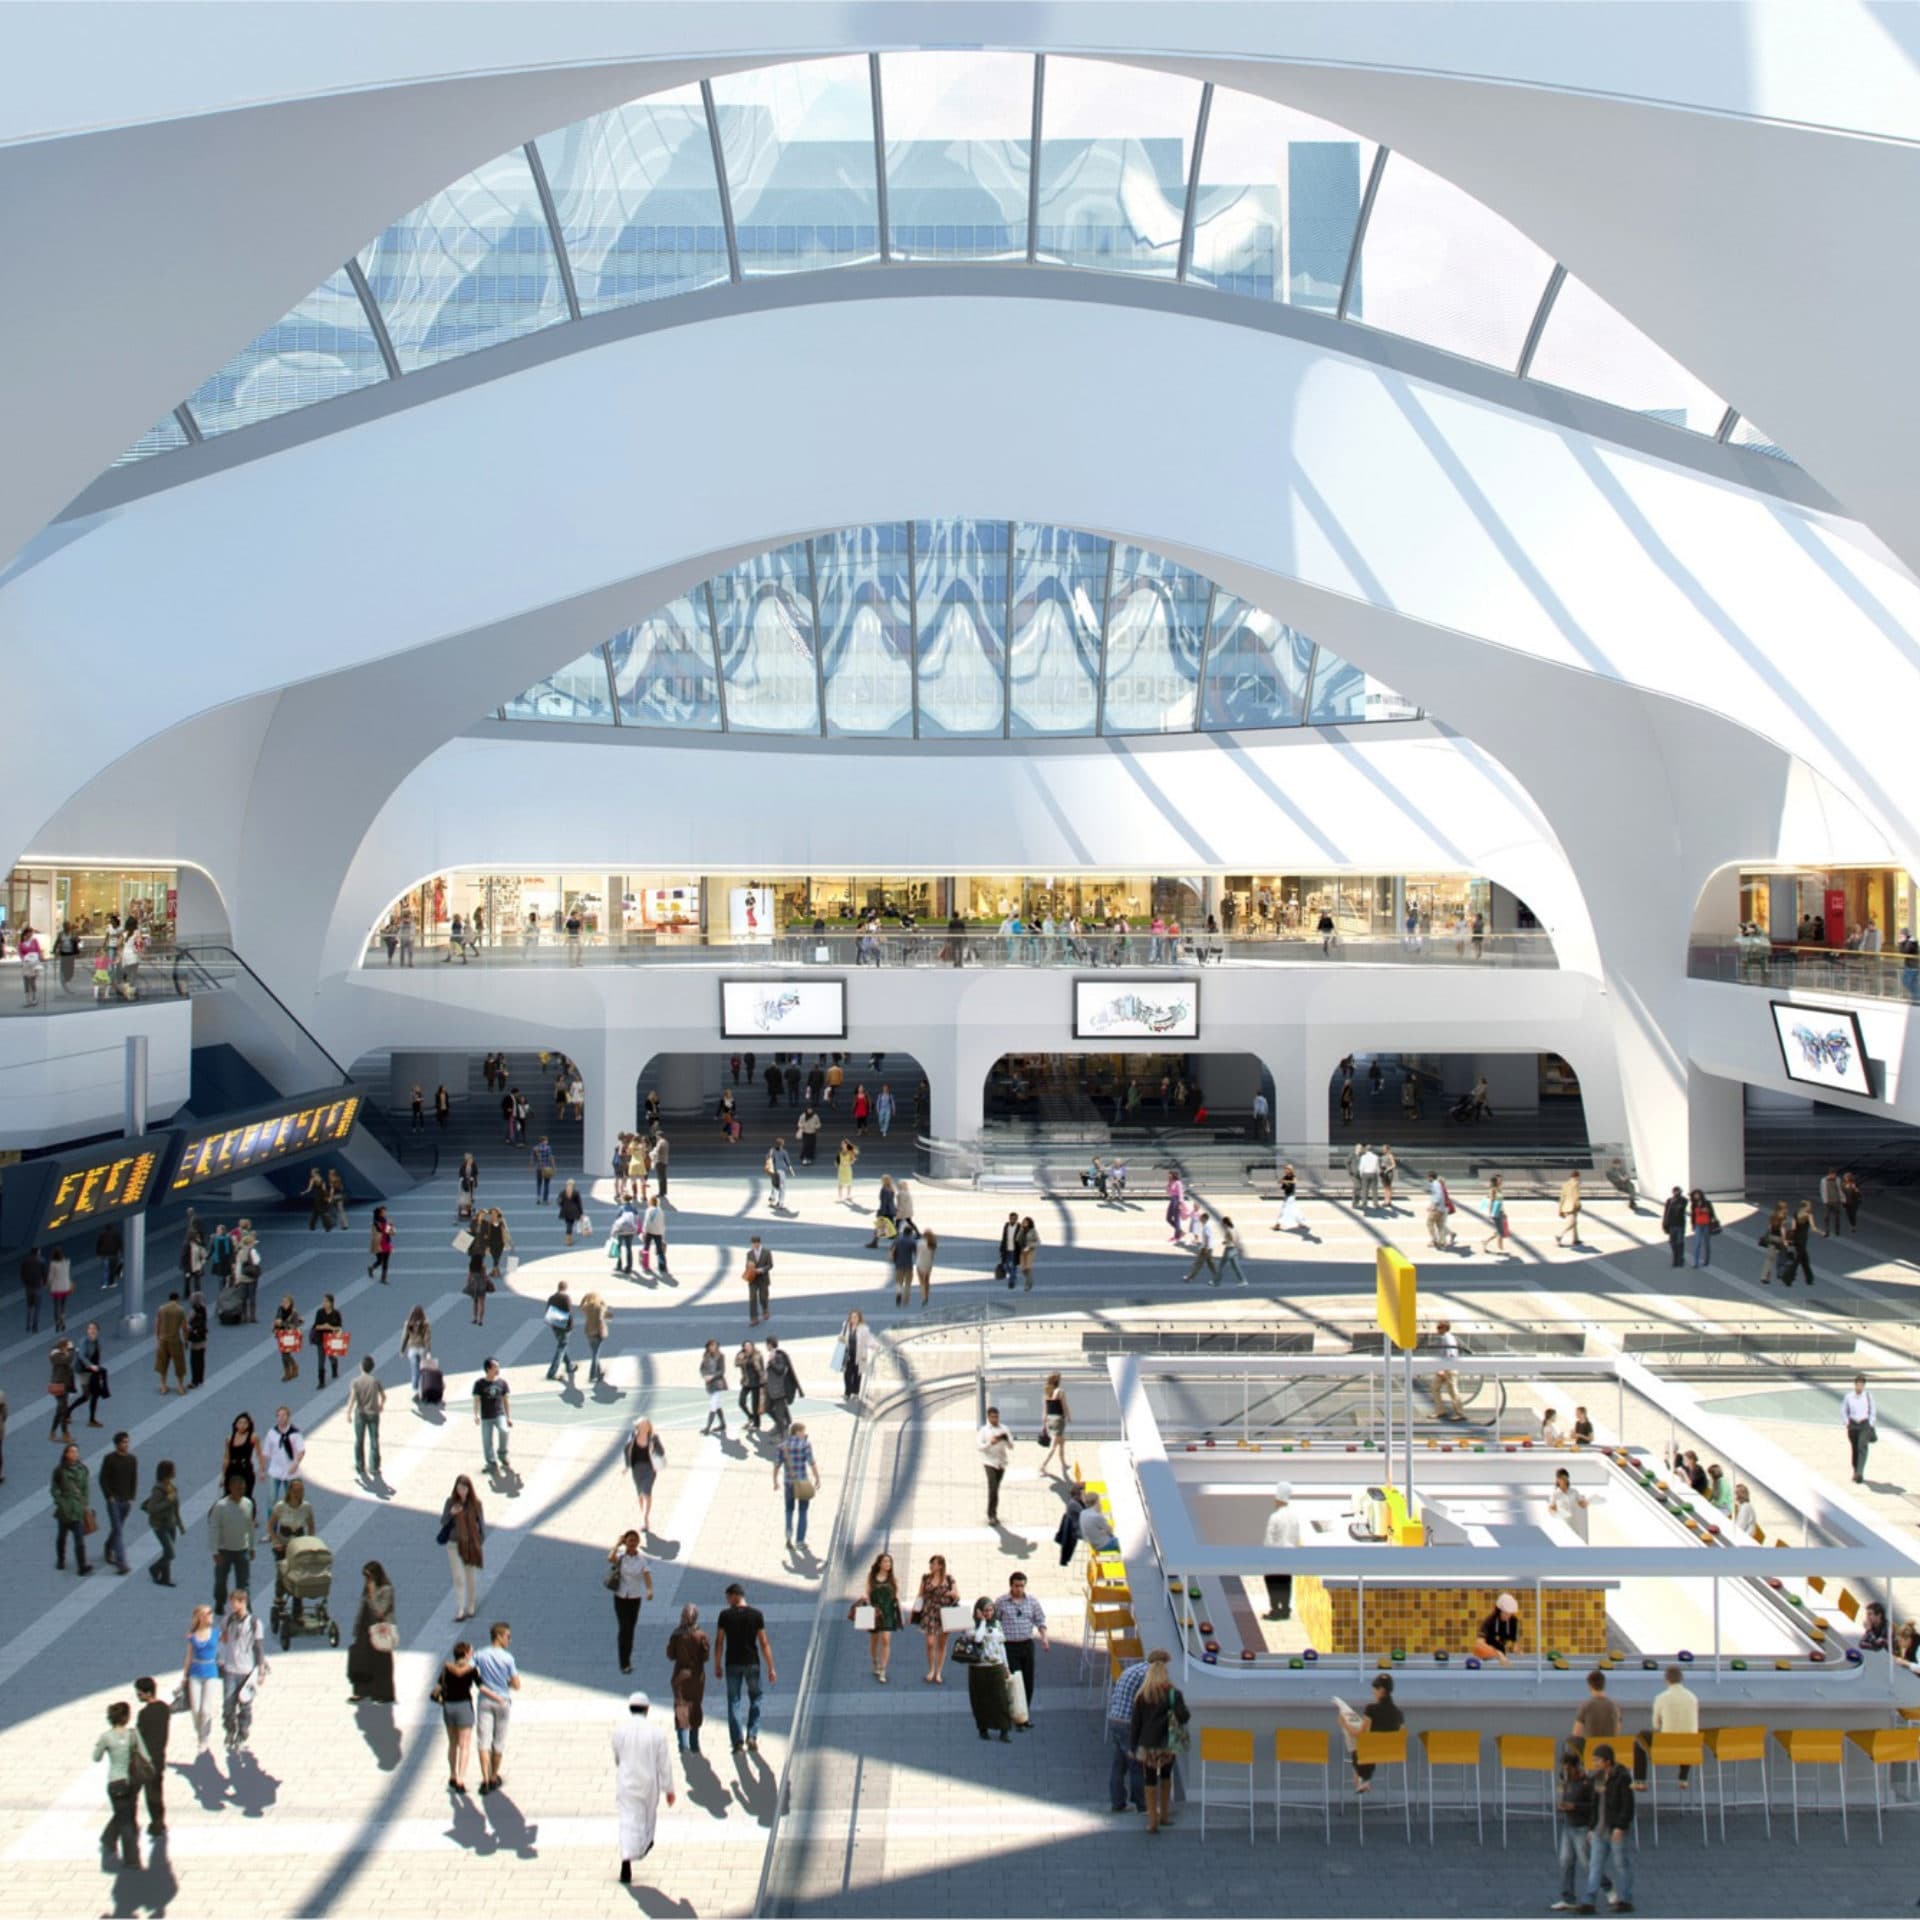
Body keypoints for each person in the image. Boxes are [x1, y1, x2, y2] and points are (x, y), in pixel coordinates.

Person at [611, 1691, 676, 1886]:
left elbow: (617, 1756)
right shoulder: (656, 1733)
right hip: (648, 1783)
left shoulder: (620, 1731)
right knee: (648, 1817)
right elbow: (664, 1763)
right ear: (647, 1709)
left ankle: (626, 1858)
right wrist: (669, 1789)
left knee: (627, 1820)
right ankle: (644, 1844)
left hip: (626, 1782)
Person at [1128, 1650, 1190, 1835]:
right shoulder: (1173, 1694)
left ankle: (1152, 1821)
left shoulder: (1142, 1695)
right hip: (1167, 1744)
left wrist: (1133, 1746)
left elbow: (1135, 1724)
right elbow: (1184, 1717)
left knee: (1149, 1779)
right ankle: (1164, 1815)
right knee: (1165, 1776)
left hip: (1147, 1745)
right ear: (1165, 1672)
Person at [715, 1581, 776, 1753]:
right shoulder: (756, 1615)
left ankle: (737, 1742)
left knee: (734, 1701)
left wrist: (717, 1664)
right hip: (752, 1663)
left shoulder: (725, 1616)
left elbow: (719, 1642)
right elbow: (764, 1643)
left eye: (728, 1597)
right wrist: (771, 1667)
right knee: (756, 1697)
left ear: (735, 1596)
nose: (727, 1601)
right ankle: (752, 1735)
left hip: (732, 1663)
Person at [1577, 1745, 1636, 1914]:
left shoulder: (1622, 1778)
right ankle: (1589, 1901)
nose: (1594, 1763)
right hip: (1599, 1830)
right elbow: (1594, 1805)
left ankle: (1626, 1899)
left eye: (1597, 1760)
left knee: (1620, 1865)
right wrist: (1591, 1827)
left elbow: (1627, 1806)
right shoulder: (1597, 1778)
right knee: (1595, 1866)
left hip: (1615, 1831)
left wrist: (1621, 1826)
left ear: (1607, 1762)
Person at [93, 1700, 150, 1870]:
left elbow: (96, 1757)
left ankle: (108, 1839)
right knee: (127, 1820)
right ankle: (131, 1859)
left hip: (115, 1782)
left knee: (123, 1816)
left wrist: (104, 1747)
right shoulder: (133, 1734)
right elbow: (145, 1755)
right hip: (132, 1782)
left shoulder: (106, 1737)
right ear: (126, 1717)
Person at [216, 1588, 268, 1751]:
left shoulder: (254, 1623)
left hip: (247, 1671)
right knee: (228, 1705)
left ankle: (243, 1733)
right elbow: (222, 1640)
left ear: (243, 1602)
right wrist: (220, 1657)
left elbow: (259, 1647)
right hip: (230, 1670)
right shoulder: (227, 1620)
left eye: (235, 1603)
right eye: (231, 1604)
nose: (232, 1607)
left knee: (245, 1706)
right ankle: (230, 1730)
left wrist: (260, 1670)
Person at [993, 1572, 1048, 1723]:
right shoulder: (1001, 1602)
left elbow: (1040, 1620)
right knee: (1015, 1680)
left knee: (1028, 1681)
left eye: (1022, 1586)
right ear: (1011, 1585)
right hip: (1010, 1646)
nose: (1019, 1589)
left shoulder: (1032, 1602)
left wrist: (1044, 1638)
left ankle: (1024, 1714)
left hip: (1026, 1645)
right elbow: (995, 1621)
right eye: (1016, 1586)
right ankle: (1012, 1712)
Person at [1632, 1663, 1697, 1790]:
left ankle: (1640, 1780)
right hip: (1690, 1749)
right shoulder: (1693, 1698)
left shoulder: (1661, 1698)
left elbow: (1655, 1725)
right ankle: (1683, 1778)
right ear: (1682, 1679)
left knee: (1639, 1738)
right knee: (1687, 1734)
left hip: (1667, 1748)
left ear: (1666, 1680)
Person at [473, 1621, 520, 1794]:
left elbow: (470, 1670)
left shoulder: (480, 1654)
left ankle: (484, 1779)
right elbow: (516, 1684)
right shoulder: (508, 1658)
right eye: (508, 1636)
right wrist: (506, 1682)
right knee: (498, 1742)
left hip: (484, 1700)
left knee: (483, 1741)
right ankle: (494, 1777)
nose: (509, 1640)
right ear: (499, 1636)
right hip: (502, 1702)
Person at [1552, 1735, 1598, 1913]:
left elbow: (1592, 1806)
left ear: (1575, 1767)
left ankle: (1607, 1886)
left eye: (1567, 1768)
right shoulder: (1565, 1779)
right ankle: (1567, 1897)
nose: (1565, 1772)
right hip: (1568, 1825)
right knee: (1565, 1861)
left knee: (1587, 1862)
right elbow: (1563, 1793)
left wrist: (1575, 1806)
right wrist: (1562, 1805)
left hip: (1581, 1826)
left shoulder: (1587, 1782)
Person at [1341, 1672, 1404, 1793]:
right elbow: (1400, 1733)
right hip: (1393, 1752)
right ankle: (1364, 1779)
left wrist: (1344, 1724)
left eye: (1374, 1689)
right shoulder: (1399, 1713)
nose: (1373, 1692)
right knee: (1366, 1744)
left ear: (1381, 1690)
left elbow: (1360, 1734)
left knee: (1352, 1736)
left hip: (1371, 1752)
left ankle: (1362, 1779)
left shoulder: (1371, 1709)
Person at [438, 1640, 487, 1795]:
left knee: (452, 1743)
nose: (472, 1653)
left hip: (449, 1707)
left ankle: (452, 1775)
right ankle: (460, 1779)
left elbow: (438, 1687)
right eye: (471, 1651)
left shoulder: (447, 1668)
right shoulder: (471, 1670)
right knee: (464, 1744)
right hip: (464, 1706)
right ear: (466, 1654)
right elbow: (481, 1686)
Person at [961, 1597, 1013, 1742]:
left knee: (1001, 1699)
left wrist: (1006, 1666)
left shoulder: (997, 1624)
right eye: (985, 1611)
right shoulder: (971, 1626)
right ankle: (983, 1729)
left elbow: (1001, 1647)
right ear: (978, 1611)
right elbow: (977, 1639)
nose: (988, 1613)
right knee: (980, 1700)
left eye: (990, 1610)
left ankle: (1004, 1730)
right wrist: (982, 1622)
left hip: (995, 1666)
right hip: (978, 1668)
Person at [1105, 1651, 1150, 1813]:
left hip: (1115, 1719)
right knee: (1137, 1764)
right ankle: (1142, 1804)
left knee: (1119, 1764)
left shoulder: (1134, 1669)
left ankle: (1118, 1802)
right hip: (1127, 1724)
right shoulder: (1147, 1675)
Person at [346, 1561, 396, 1705]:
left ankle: (383, 1693)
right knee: (361, 1661)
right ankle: (361, 1691)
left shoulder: (386, 1590)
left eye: (369, 1577)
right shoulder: (367, 1589)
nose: (367, 1581)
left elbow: (380, 1611)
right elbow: (362, 1610)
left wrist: (373, 1593)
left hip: (380, 1631)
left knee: (381, 1663)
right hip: (364, 1629)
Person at [608, 1530, 656, 1673]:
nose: (632, 1543)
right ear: (626, 1542)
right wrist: (617, 1544)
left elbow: (647, 1574)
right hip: (621, 1597)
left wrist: (649, 1589)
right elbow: (610, 1558)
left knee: (630, 1630)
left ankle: (627, 1660)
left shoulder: (641, 1559)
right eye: (629, 1540)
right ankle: (624, 1663)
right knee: (624, 1629)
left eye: (635, 1540)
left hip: (635, 1598)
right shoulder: (621, 1557)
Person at [851, 1551, 902, 1684]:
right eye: (885, 1561)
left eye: (890, 1562)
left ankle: (883, 1670)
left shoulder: (893, 1579)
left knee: (885, 1640)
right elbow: (867, 1592)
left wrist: (901, 1615)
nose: (888, 1564)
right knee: (874, 1640)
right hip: (875, 1613)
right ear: (879, 1563)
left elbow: (896, 1597)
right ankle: (875, 1662)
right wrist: (864, 1599)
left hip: (888, 1612)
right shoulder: (871, 1578)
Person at [441, 1474, 485, 1622]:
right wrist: (451, 1513)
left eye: (464, 1488)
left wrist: (479, 1541)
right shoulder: (450, 1502)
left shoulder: (476, 1504)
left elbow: (481, 1524)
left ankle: (470, 1605)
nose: (461, 1491)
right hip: (454, 1544)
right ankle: (460, 1608)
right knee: (458, 1577)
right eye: (459, 1487)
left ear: (469, 1489)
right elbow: (443, 1521)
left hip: (470, 1545)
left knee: (470, 1577)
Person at [666, 1606, 709, 1754]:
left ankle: (683, 1744)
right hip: (697, 1676)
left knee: (681, 1706)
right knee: (695, 1706)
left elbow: (670, 1655)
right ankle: (694, 1742)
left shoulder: (676, 1635)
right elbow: (706, 1656)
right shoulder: (701, 1635)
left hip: (680, 1675)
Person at [209, 1472, 254, 1608]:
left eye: (243, 1488)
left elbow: (250, 1527)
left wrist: (251, 1547)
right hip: (224, 1550)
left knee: (243, 1582)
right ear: (230, 1488)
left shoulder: (248, 1503)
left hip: (242, 1550)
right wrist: (215, 1551)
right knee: (221, 1581)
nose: (241, 1491)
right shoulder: (220, 1506)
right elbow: (214, 1528)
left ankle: (244, 1605)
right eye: (238, 1488)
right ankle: (220, 1601)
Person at [133, 1675, 171, 1836]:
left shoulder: (144, 1714)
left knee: (143, 1794)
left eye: (140, 1693)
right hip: (159, 1757)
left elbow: (139, 1738)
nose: (138, 1696)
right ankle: (159, 1822)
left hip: (146, 1760)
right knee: (157, 1792)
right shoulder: (164, 1708)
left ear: (148, 1693)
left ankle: (148, 1824)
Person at [913, 1554, 960, 1683]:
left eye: (933, 1564)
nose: (931, 1566)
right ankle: (931, 1669)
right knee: (930, 1643)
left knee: (942, 1643)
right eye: (930, 1564)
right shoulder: (926, 1578)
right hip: (929, 1612)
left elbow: (957, 1595)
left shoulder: (949, 1579)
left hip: (944, 1612)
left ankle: (938, 1672)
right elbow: (920, 1594)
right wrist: (915, 1609)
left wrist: (948, 1593)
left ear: (940, 1565)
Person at [98, 1429, 138, 1575]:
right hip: (113, 1500)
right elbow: (103, 1479)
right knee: (119, 1530)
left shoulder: (132, 1459)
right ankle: (122, 1563)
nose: (126, 1444)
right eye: (123, 1442)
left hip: (126, 1500)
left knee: (117, 1528)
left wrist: (132, 1497)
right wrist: (109, 1496)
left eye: (127, 1442)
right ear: (117, 1444)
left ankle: (108, 1546)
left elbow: (134, 1478)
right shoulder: (109, 1459)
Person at [51, 1439, 92, 1576]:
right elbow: (55, 1489)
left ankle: (82, 1566)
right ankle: (60, 1559)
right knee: (62, 1537)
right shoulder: (59, 1470)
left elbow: (85, 1487)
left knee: (79, 1540)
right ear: (66, 1454)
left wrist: (85, 1502)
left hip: (78, 1509)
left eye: (76, 1452)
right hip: (64, 1510)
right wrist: (61, 1503)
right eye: (72, 1451)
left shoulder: (82, 1469)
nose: (75, 1454)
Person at [776, 1419, 818, 1549]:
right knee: (803, 1511)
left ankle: (788, 1535)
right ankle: (800, 1541)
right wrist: (817, 1478)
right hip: (802, 1482)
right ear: (798, 1431)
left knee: (789, 1510)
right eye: (803, 1432)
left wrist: (775, 1481)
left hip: (788, 1482)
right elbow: (811, 1463)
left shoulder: (782, 1446)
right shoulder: (805, 1445)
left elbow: (777, 1465)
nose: (804, 1434)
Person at [1263, 1482, 1303, 1620]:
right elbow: (1297, 1538)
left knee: (1272, 1582)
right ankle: (1285, 1609)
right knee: (1286, 1582)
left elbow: (1269, 1540)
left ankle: (1275, 1610)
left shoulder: (1275, 1517)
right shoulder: (1294, 1517)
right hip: (1289, 1556)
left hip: (1275, 1557)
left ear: (1278, 1499)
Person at [346, 1354, 385, 1480]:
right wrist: (380, 1405)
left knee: (359, 1440)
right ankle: (374, 1467)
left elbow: (352, 1399)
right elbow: (384, 1396)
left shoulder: (355, 1382)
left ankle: (360, 1465)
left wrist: (348, 1412)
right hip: (374, 1414)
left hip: (361, 1414)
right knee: (374, 1440)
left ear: (361, 1367)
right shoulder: (375, 1381)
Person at [144, 1458, 181, 1586]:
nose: (175, 1471)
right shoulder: (158, 1490)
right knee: (170, 1552)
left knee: (167, 1552)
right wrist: (167, 1502)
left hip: (171, 1523)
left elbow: (176, 1506)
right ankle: (154, 1568)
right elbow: (152, 1508)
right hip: (160, 1525)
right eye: (173, 1469)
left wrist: (179, 1523)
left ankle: (165, 1578)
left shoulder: (172, 1487)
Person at [474, 1359, 512, 1473]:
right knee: (487, 1441)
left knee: (504, 1430)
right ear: (488, 1369)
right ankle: (491, 1463)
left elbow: (506, 1400)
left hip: (499, 1414)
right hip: (486, 1417)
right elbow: (476, 1400)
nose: (498, 1369)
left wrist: (508, 1417)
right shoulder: (479, 1384)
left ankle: (502, 1454)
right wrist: (476, 1415)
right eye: (496, 1367)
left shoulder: (502, 1383)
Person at [262, 1405, 305, 1504]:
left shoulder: (295, 1433)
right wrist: (262, 1470)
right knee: (272, 1499)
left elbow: (301, 1451)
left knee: (292, 1500)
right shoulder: (272, 1433)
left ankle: (290, 1519)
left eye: (283, 1415)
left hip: (291, 1472)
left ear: (288, 1417)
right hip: (275, 1471)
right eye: (279, 1415)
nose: (281, 1418)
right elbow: (266, 1452)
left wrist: (295, 1464)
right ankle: (271, 1519)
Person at [978, 1406, 1014, 1524]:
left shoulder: (1004, 1428)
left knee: (996, 1489)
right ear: (988, 1417)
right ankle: (991, 1515)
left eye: (997, 1417)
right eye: (993, 1417)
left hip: (1001, 1462)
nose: (995, 1419)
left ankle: (993, 1511)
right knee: (993, 1488)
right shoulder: (984, 1430)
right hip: (989, 1462)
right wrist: (990, 1443)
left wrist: (1005, 1439)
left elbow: (1011, 1446)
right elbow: (980, 1447)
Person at [1843, 1372, 1877, 1483]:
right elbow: (1844, 1410)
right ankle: (1855, 1470)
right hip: (1853, 1425)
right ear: (1855, 1384)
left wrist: (1870, 1424)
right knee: (1855, 1448)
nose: (1860, 1386)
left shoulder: (1868, 1396)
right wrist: (1847, 1422)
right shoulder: (1849, 1396)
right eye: (1858, 1384)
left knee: (1862, 1446)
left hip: (1864, 1424)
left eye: (1862, 1384)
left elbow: (1872, 1410)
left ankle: (1860, 1472)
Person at [763, 1338, 800, 1437]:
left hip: (779, 1391)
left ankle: (782, 1434)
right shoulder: (772, 1355)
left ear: (770, 1344)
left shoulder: (779, 1356)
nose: (766, 1346)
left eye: (766, 1344)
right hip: (771, 1390)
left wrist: (771, 1362)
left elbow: (780, 1370)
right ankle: (785, 1422)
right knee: (767, 1408)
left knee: (779, 1415)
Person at [1429, 1320, 1466, 1421]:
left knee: (1453, 1391)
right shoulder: (1444, 1337)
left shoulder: (1448, 1338)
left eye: (1439, 1327)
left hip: (1448, 1369)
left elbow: (1451, 1353)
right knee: (1434, 1387)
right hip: (1444, 1368)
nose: (1437, 1330)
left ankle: (1460, 1413)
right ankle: (1440, 1410)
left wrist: (1443, 1368)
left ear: (1445, 1328)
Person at [153, 1291, 188, 1394]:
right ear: (177, 1299)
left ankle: (163, 1386)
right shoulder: (180, 1310)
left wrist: (158, 1338)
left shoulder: (161, 1309)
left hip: (163, 1340)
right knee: (179, 1364)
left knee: (162, 1364)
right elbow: (184, 1327)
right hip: (175, 1340)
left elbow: (157, 1324)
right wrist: (186, 1340)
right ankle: (180, 1387)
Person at [1572, 1668, 1620, 1743]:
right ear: (1604, 1685)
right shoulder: (1614, 1706)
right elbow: (1617, 1731)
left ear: (1590, 1686)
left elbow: (1576, 1734)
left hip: (1591, 1751)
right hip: (1610, 1751)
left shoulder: (1586, 1705)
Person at [1475, 1591, 1522, 1664]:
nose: (1508, 1616)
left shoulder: (1513, 1621)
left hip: (1503, 1659)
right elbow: (1479, 1644)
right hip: (1486, 1659)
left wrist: (1516, 1649)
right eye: (1506, 1613)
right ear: (1499, 1610)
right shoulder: (1489, 1621)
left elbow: (1515, 1643)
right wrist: (1497, 1653)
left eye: (1510, 1614)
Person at [698, 1341, 728, 1437]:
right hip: (709, 1384)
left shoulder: (720, 1356)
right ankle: (723, 1424)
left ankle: (707, 1428)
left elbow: (722, 1371)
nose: (712, 1348)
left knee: (713, 1405)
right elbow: (702, 1368)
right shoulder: (706, 1356)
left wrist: (712, 1376)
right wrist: (704, 1376)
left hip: (718, 1383)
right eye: (711, 1346)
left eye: (714, 1346)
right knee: (717, 1405)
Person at [839, 1308, 870, 1398]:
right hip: (848, 1354)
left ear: (859, 1318)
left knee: (857, 1374)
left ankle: (856, 1392)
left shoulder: (863, 1329)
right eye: (852, 1317)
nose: (854, 1319)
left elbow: (867, 1341)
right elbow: (841, 1336)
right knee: (847, 1374)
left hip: (859, 1355)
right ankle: (847, 1393)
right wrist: (841, 1339)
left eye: (856, 1317)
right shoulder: (846, 1326)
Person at [1182, 1208, 1218, 1284]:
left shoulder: (1206, 1227)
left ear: (1204, 1218)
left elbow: (1207, 1237)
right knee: (1210, 1264)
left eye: (1201, 1218)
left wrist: (1205, 1248)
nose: (1200, 1219)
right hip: (1208, 1248)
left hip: (1206, 1249)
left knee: (1198, 1263)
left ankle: (1190, 1277)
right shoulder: (1207, 1226)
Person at [735, 1341, 764, 1432]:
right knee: (741, 1402)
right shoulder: (742, 1355)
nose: (747, 1347)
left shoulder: (757, 1355)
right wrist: (740, 1358)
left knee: (755, 1405)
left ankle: (757, 1424)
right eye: (745, 1346)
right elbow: (736, 1364)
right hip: (746, 1382)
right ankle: (750, 1416)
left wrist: (763, 1380)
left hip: (756, 1382)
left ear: (752, 1346)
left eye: (749, 1346)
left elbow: (760, 1368)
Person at [743, 1235, 772, 1325]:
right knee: (752, 1298)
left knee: (763, 1297)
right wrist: (750, 1269)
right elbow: (747, 1265)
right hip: (753, 1279)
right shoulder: (749, 1253)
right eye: (753, 1243)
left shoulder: (767, 1252)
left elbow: (770, 1265)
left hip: (763, 1278)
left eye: (756, 1243)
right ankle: (754, 1318)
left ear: (759, 1243)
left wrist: (761, 1270)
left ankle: (765, 1309)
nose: (754, 1245)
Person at [1687, 1188, 1719, 1267]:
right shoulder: (1693, 1205)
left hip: (1706, 1225)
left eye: (1697, 1195)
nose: (1696, 1196)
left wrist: (1706, 1211)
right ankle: (1696, 1262)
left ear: (1701, 1195)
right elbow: (1693, 1216)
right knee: (1697, 1243)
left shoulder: (1707, 1203)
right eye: (1695, 1195)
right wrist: (1693, 1225)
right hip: (1698, 1225)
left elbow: (1712, 1214)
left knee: (1707, 1244)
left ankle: (1706, 1261)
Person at [641, 1196, 669, 1279]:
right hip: (658, 1232)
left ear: (650, 1202)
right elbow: (662, 1223)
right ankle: (662, 1266)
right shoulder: (660, 1211)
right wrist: (662, 1233)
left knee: (646, 1248)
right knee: (660, 1250)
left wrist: (644, 1231)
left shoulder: (649, 1210)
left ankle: (645, 1265)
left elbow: (646, 1221)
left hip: (650, 1231)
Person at [47, 1245, 74, 1332]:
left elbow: (51, 1277)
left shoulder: (53, 1264)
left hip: (56, 1287)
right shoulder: (67, 1262)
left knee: (56, 1306)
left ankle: (57, 1323)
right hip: (65, 1286)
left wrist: (48, 1284)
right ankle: (63, 1319)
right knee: (63, 1305)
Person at [1555, 1172, 1584, 1249]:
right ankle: (1559, 1235)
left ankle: (1575, 1239)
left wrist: (1560, 1209)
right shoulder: (1576, 1184)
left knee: (1574, 1222)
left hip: (1566, 1206)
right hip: (1573, 1206)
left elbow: (1562, 1198)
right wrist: (1579, 1205)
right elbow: (1576, 1196)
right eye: (1578, 1177)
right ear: (1576, 1176)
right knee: (1571, 1223)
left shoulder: (1565, 1184)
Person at [1660, 1186, 1687, 1268]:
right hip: (1671, 1225)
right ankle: (1675, 1259)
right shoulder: (1669, 1201)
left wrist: (1676, 1200)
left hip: (1680, 1225)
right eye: (1675, 1191)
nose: (1676, 1193)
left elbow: (1680, 1208)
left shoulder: (1683, 1200)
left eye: (1678, 1191)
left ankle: (1680, 1259)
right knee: (1673, 1243)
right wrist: (1664, 1223)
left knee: (1679, 1243)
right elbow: (1666, 1213)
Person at [366, 1207, 394, 1286]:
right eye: (383, 1212)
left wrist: (391, 1226)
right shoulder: (375, 1222)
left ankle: (383, 1278)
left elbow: (389, 1232)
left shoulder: (385, 1220)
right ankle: (371, 1268)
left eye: (385, 1211)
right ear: (379, 1213)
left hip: (386, 1243)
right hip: (379, 1244)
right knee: (380, 1261)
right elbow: (380, 1230)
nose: (385, 1213)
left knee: (385, 1262)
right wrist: (389, 1226)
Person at [914, 1225, 939, 1304]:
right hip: (928, 1263)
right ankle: (927, 1296)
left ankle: (923, 1297)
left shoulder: (920, 1242)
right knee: (927, 1281)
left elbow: (916, 1253)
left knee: (921, 1282)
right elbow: (933, 1254)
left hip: (920, 1262)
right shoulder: (933, 1244)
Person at [835, 1138, 859, 1204]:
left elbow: (853, 1160)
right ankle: (840, 1196)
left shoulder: (850, 1152)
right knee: (840, 1183)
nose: (842, 1145)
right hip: (841, 1170)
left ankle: (848, 1195)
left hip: (848, 1169)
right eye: (842, 1144)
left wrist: (849, 1162)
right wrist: (837, 1164)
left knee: (849, 1183)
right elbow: (836, 1162)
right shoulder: (839, 1153)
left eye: (844, 1144)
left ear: (847, 1144)